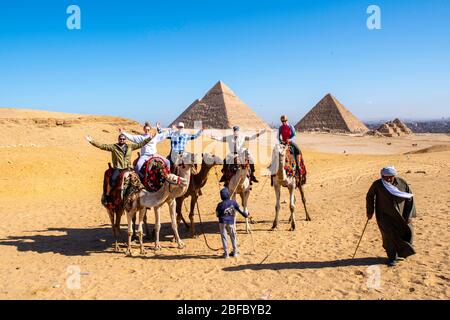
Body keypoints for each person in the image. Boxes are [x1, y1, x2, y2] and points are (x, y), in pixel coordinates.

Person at [366, 166, 417, 267]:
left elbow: (410, 198)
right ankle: (392, 257)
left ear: (394, 176)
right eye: (386, 177)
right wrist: (370, 211)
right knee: (388, 236)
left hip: (401, 215)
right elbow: (370, 196)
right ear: (382, 176)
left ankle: (401, 252)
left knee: (406, 233)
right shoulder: (377, 184)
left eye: (391, 177)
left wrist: (409, 215)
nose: (388, 179)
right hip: (384, 215)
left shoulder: (402, 183)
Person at [85, 133, 153, 201]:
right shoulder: (114, 147)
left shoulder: (130, 147)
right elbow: (102, 146)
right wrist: (91, 141)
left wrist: (149, 138)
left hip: (128, 168)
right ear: (118, 139)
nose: (122, 140)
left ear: (125, 140)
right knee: (112, 180)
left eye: (123, 139)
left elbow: (140, 144)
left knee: (141, 176)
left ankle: (146, 194)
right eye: (120, 139)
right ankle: (108, 195)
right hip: (118, 168)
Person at [215, 187, 249, 258]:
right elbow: (240, 210)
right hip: (230, 222)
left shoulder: (220, 205)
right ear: (228, 194)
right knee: (233, 236)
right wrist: (245, 215)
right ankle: (235, 252)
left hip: (222, 222)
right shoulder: (233, 202)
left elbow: (217, 214)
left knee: (224, 237)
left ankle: (226, 253)